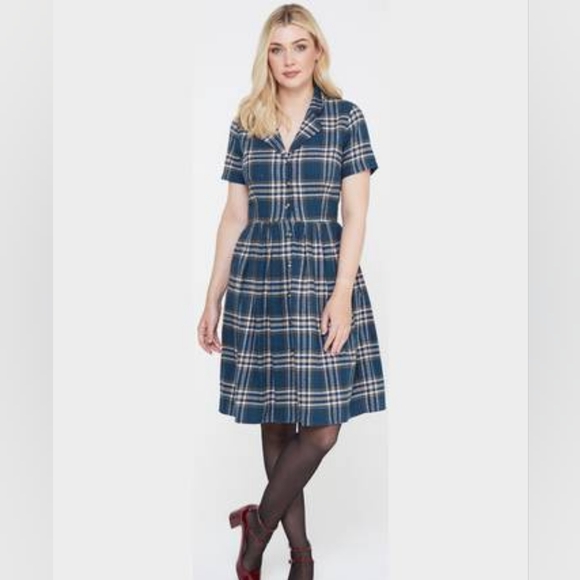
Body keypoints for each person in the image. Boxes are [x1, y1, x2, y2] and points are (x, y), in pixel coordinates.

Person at [197, 4, 387, 579]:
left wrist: (342, 294)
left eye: (299, 47)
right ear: (267, 56)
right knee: (277, 422)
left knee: (322, 430)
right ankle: (299, 556)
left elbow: (355, 216)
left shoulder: (345, 118)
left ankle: (255, 527)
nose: (288, 60)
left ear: (317, 51)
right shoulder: (247, 120)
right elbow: (234, 217)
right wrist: (212, 298)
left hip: (323, 277)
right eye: (277, 49)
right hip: (259, 282)